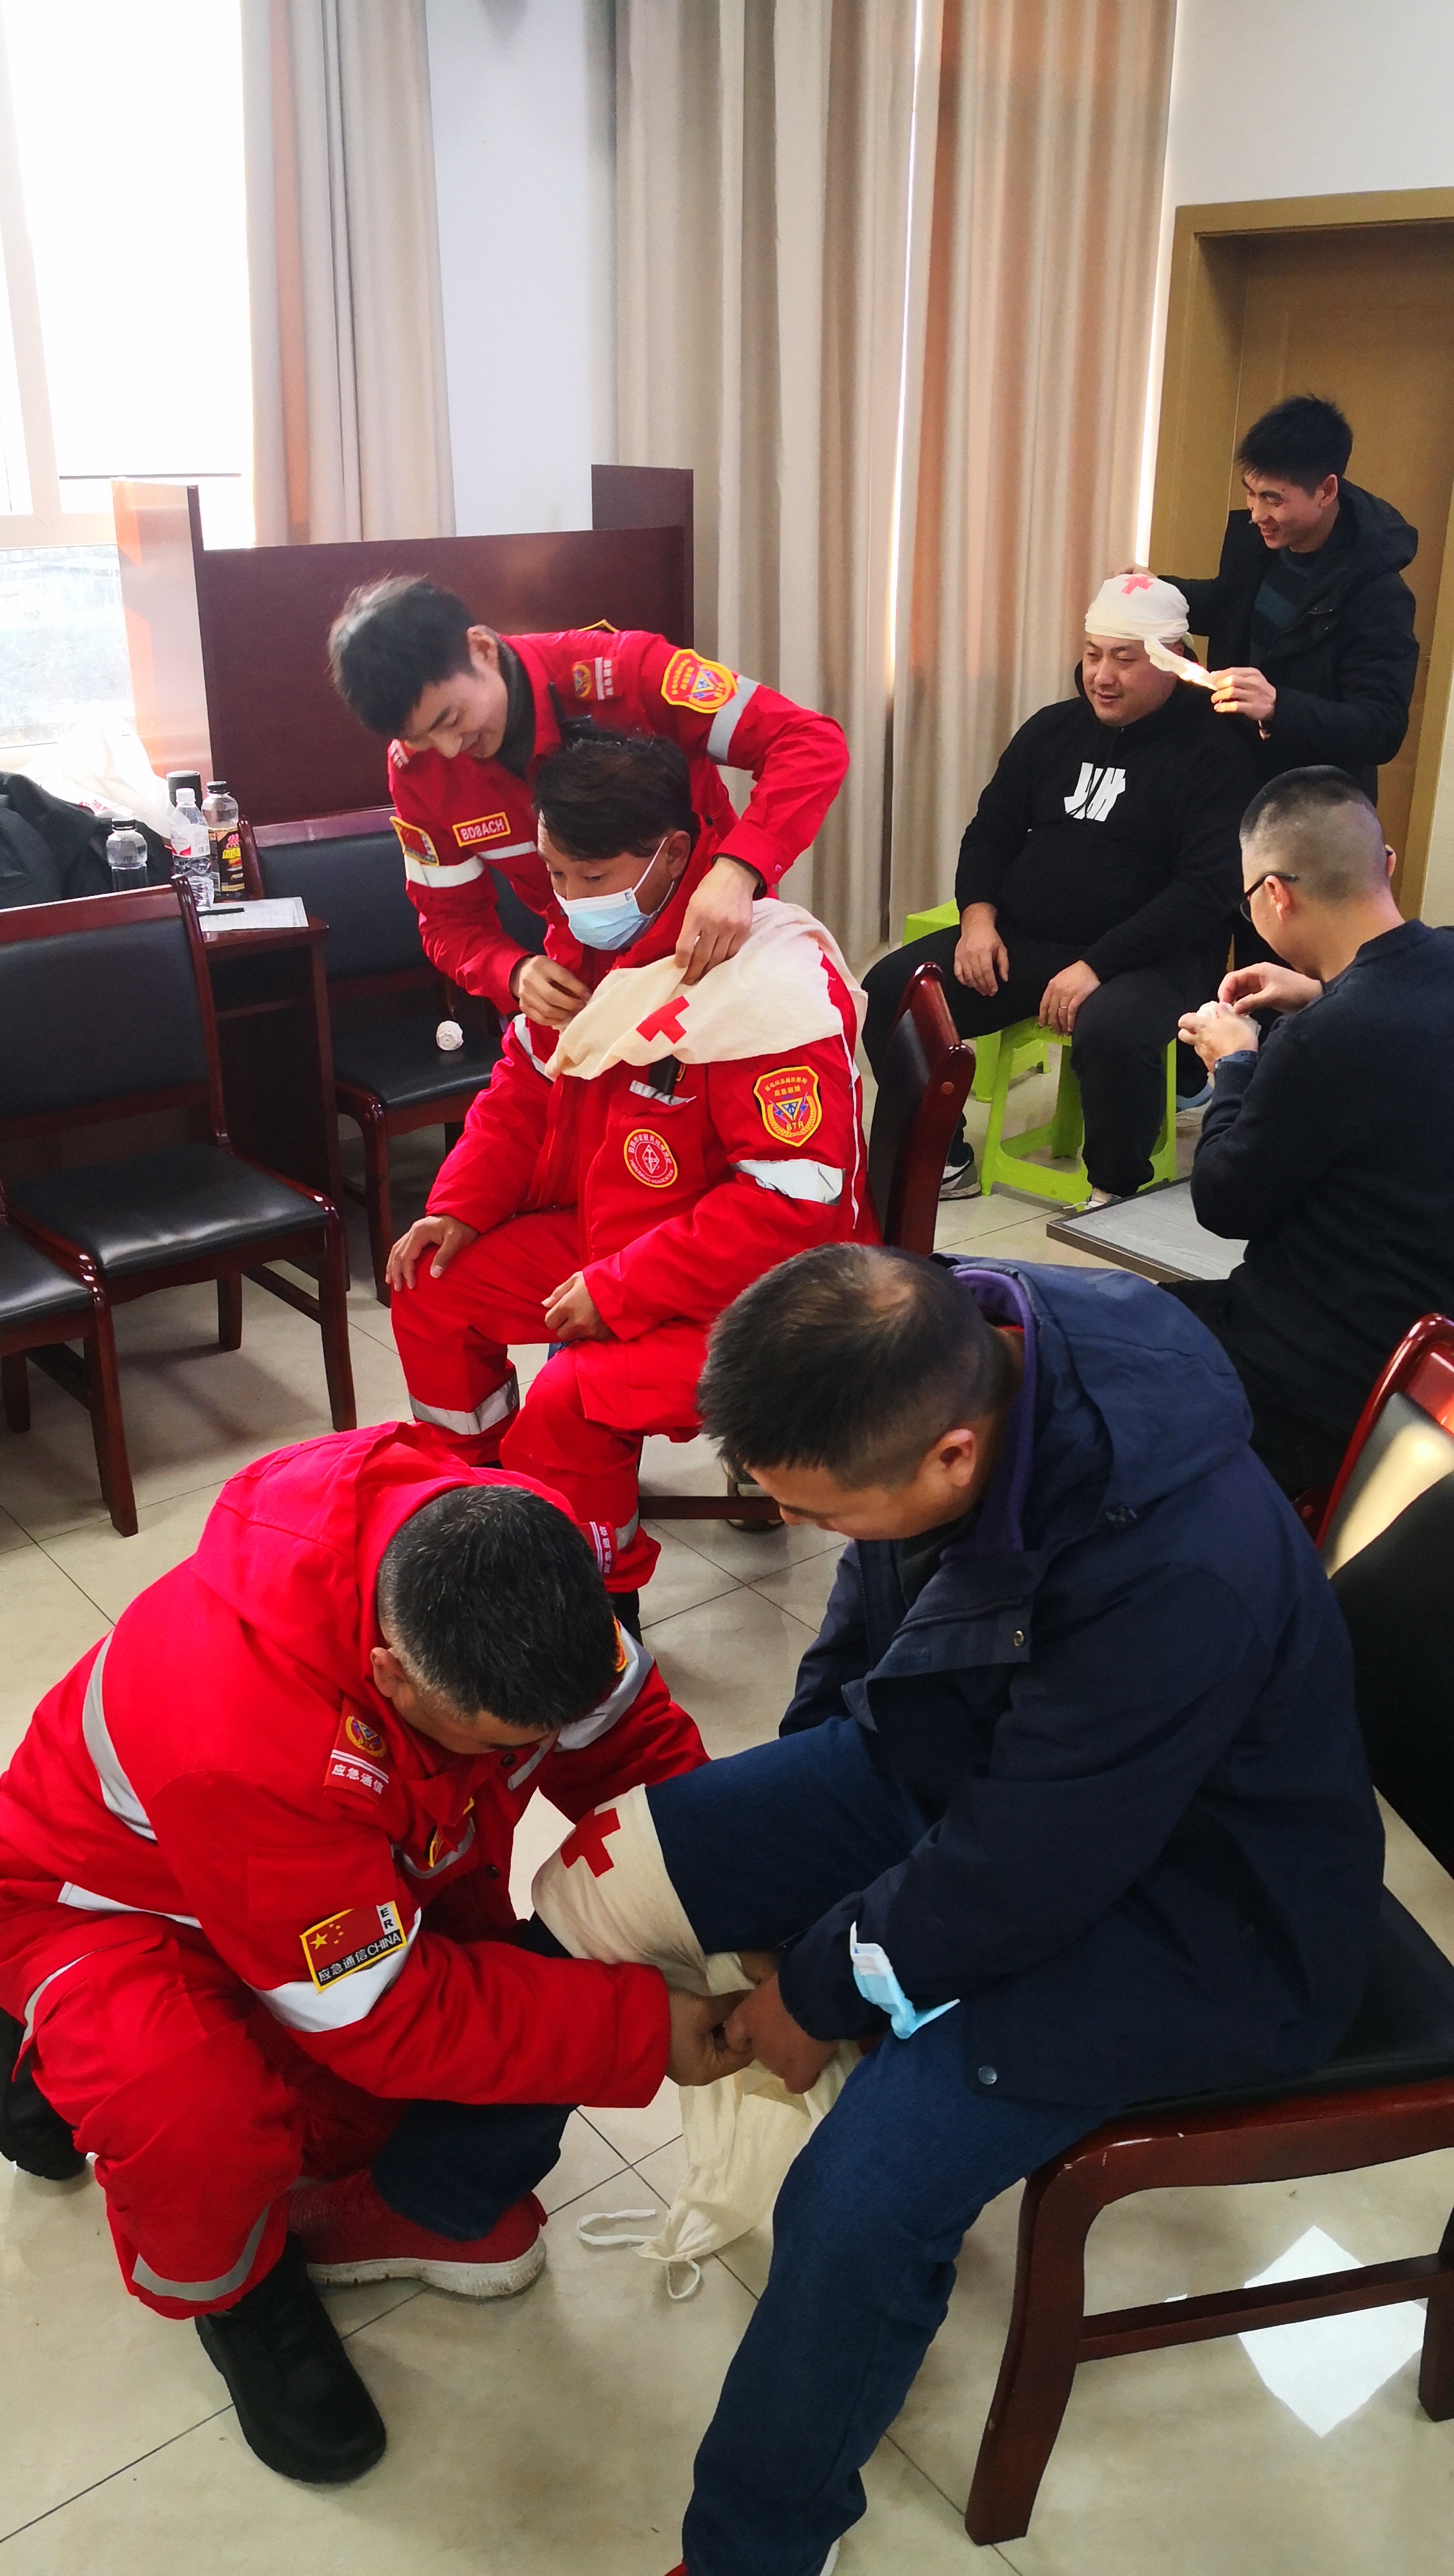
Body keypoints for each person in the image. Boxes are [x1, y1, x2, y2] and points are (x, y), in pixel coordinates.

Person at [638, 1242, 1383, 2576]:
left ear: (953, 1457)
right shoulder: (948, 1328)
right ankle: (451, 2197)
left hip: (1202, 1918)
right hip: (997, 1767)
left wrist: (818, 1985)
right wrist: (808, 1801)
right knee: (643, 1859)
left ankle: (752, 2549)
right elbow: (869, 1604)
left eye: (822, 1511)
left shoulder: (1179, 1566)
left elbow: (1023, 1875)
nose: (801, 1530)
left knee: (857, 2201)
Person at [0, 1427, 743, 2486]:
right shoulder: (252, 1741)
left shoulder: (520, 1557)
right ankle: (244, 2299)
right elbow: (385, 2018)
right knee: (200, 2130)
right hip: (112, 1904)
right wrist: (641, 2029)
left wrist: (716, 1898)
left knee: (387, 2123)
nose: (531, 1753)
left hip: (316, 1873)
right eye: (502, 1743)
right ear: (391, 1674)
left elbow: (633, 1745)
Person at [387, 730, 876, 1618]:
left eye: (592, 876)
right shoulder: (585, 948)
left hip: (764, 1294)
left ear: (674, 855)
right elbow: (522, 1093)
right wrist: (457, 1207)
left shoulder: (771, 983)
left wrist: (618, 1290)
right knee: (431, 1283)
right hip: (620, 1234)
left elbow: (791, 1213)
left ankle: (596, 1602)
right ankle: (483, 1510)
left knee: (571, 1396)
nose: (571, 901)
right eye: (554, 875)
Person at [862, 574, 1257, 1202]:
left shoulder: (1215, 751)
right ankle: (942, 1158)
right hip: (1030, 941)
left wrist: (1097, 965)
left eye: (1125, 659)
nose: (1103, 676)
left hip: (1153, 958)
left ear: (1175, 661)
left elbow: (1205, 890)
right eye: (1094, 654)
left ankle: (1114, 1193)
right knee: (895, 988)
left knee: (1112, 1030)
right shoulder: (1053, 729)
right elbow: (989, 832)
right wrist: (978, 921)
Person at [327, 576, 849, 1025]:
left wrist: (738, 870)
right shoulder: (417, 774)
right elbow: (448, 922)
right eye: (419, 738)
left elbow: (808, 742)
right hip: (586, 985)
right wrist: (513, 972)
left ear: (481, 650)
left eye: (451, 719)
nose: (447, 749)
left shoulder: (624, 673)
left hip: (715, 947)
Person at [1172, 765, 1454, 1500]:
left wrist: (1234, 1063)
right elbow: (1396, 1028)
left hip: (1313, 1374)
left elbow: (1223, 1200)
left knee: (1083, 1341)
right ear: (1384, 864)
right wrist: (1325, 991)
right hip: (1426, 1349)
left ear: (1274, 895)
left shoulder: (1321, 1042)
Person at [1163, 393, 1418, 805]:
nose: (1256, 513)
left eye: (1273, 499)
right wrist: (1156, 591)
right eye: (1250, 493)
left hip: (1313, 803)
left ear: (1326, 491)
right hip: (1233, 773)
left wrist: (1278, 708)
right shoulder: (1262, 542)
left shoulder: (1378, 592)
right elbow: (1231, 606)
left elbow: (1381, 727)